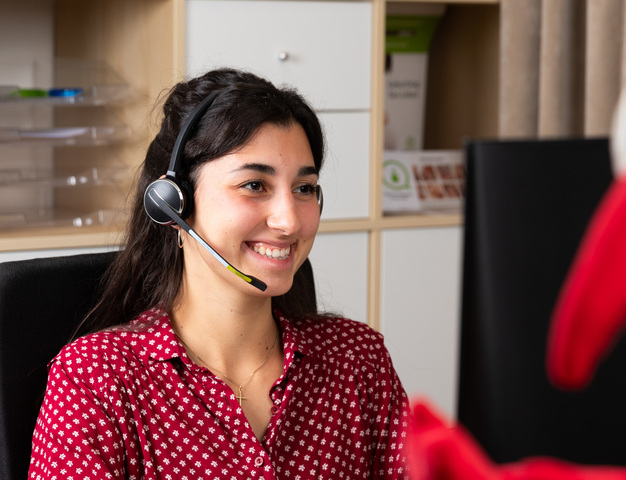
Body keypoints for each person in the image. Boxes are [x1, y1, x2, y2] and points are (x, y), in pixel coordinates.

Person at [28, 68, 410, 479]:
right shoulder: (96, 380)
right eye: (254, 185)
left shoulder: (357, 361)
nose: (289, 222)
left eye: (304, 188)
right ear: (172, 204)